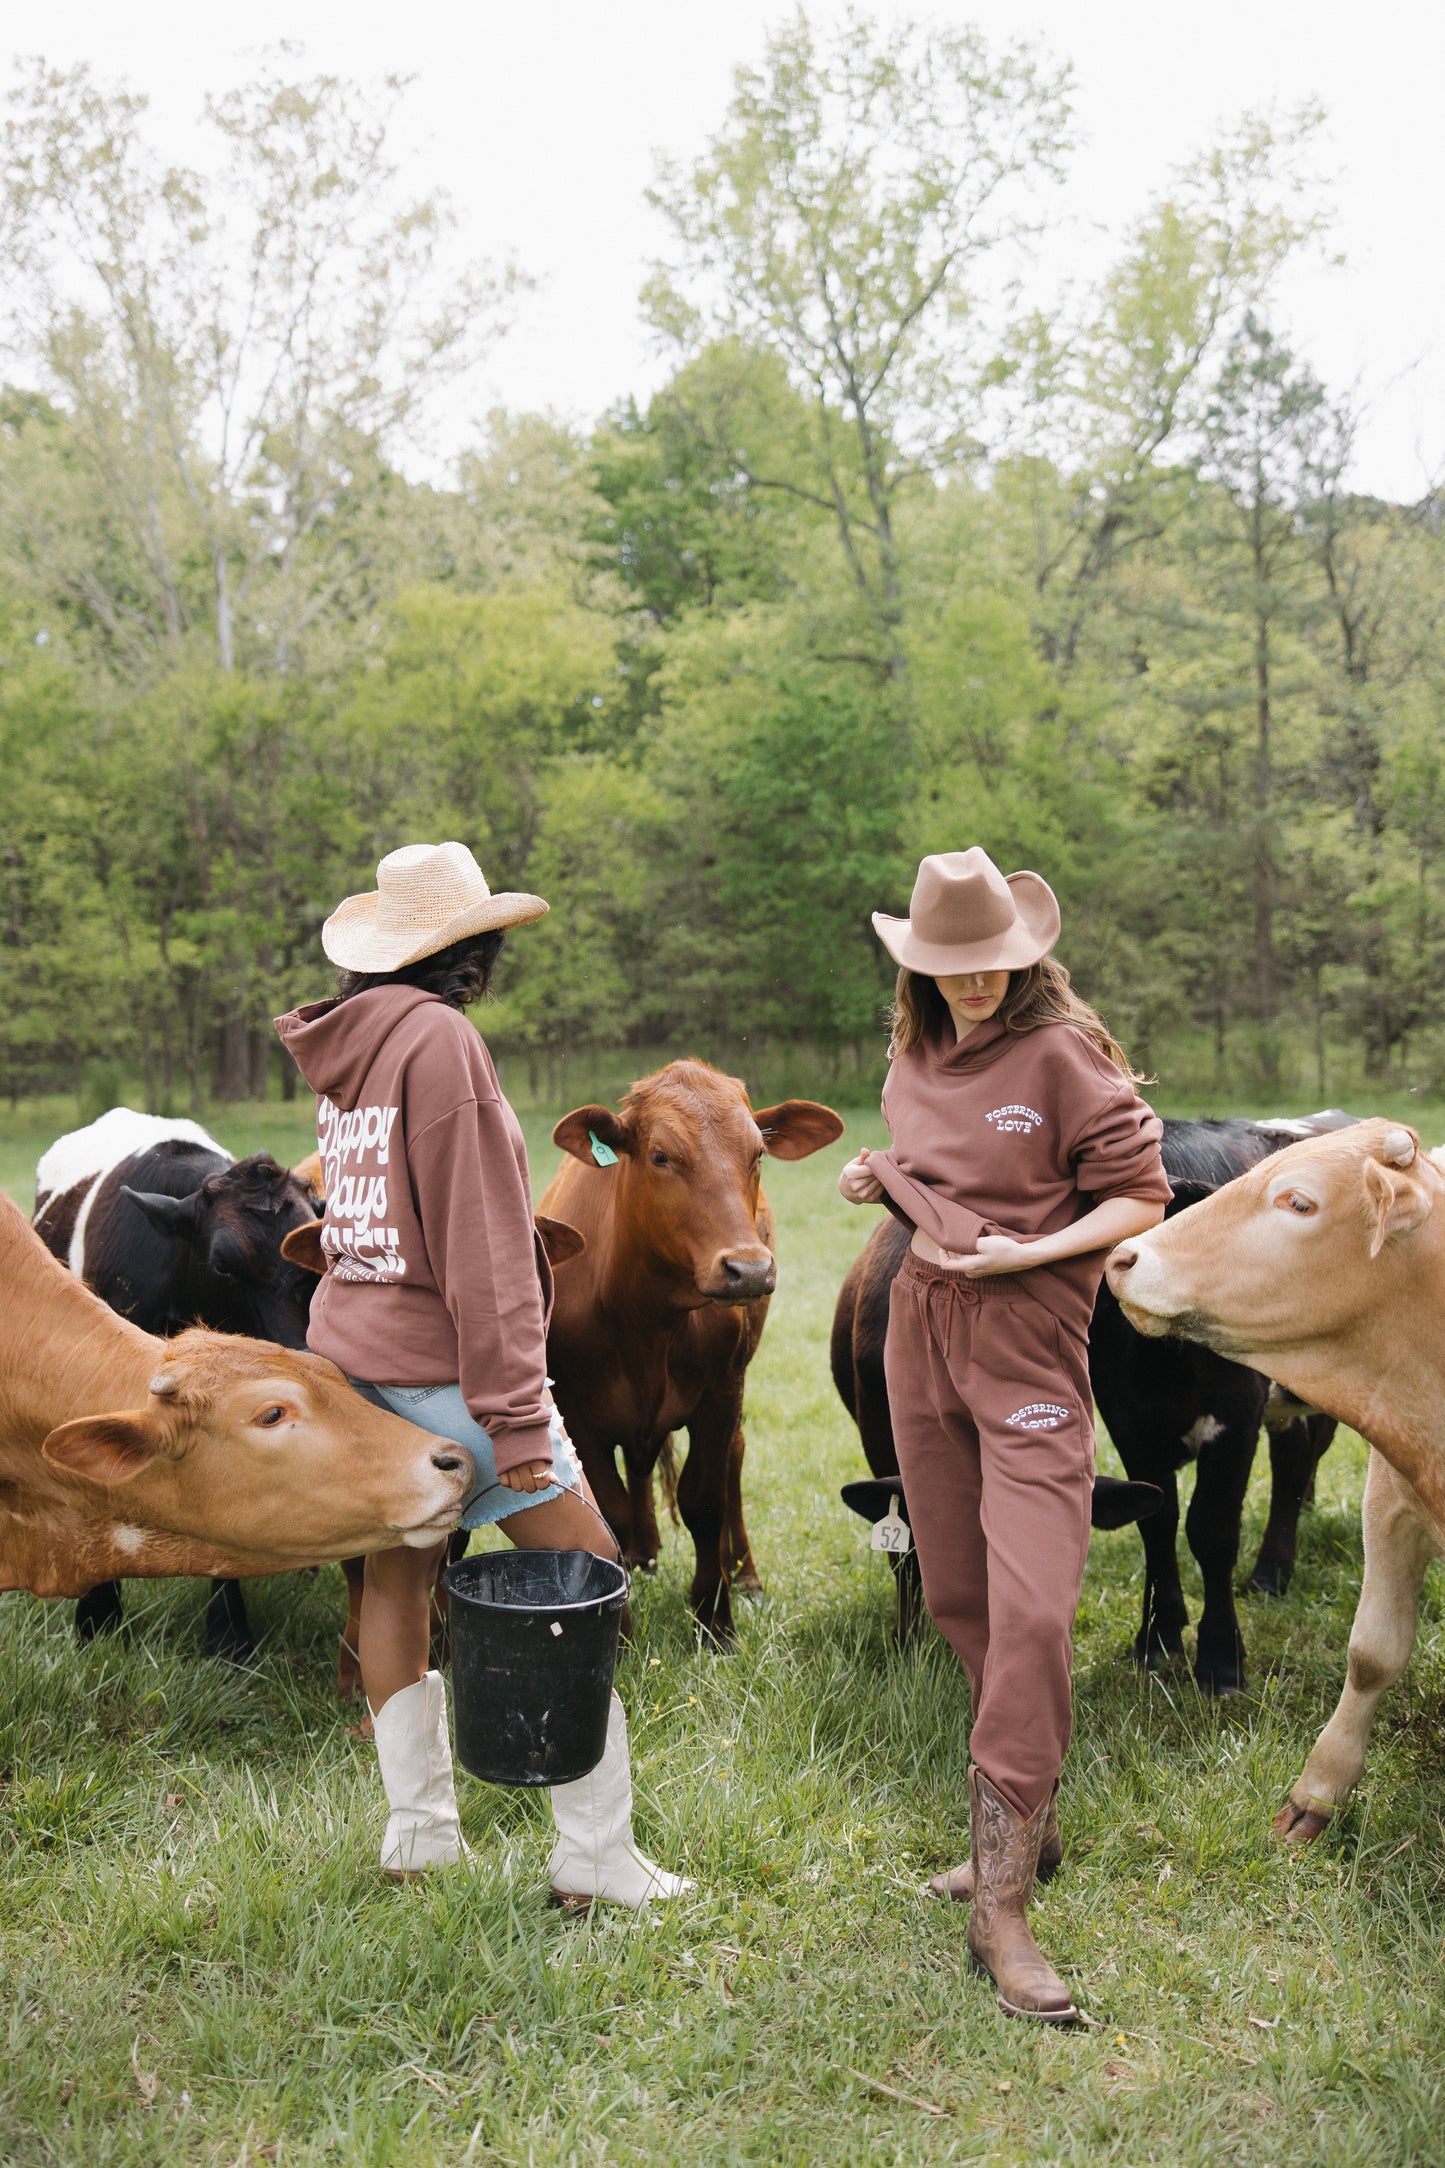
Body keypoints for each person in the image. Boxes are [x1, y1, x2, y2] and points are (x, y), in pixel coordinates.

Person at [276, 841, 690, 1907]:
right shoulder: (440, 1042)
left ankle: (418, 1836)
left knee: (400, 1583)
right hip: (453, 1376)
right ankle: (593, 1858)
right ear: (474, 948)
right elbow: (484, 1251)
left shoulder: (350, 1049)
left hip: (356, 1372)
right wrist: (514, 1416)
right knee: (587, 1578)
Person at [837, 848, 1169, 2023]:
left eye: (992, 965)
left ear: (1023, 956)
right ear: (918, 967)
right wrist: (880, 1179)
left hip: (1025, 1332)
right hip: (915, 1328)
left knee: (1033, 1603)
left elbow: (1140, 1194)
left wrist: (1022, 1253)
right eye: (950, 966)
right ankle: (1027, 1827)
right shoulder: (912, 1049)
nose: (973, 984)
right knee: (962, 1595)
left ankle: (1001, 1906)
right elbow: (933, 1157)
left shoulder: (1064, 1056)